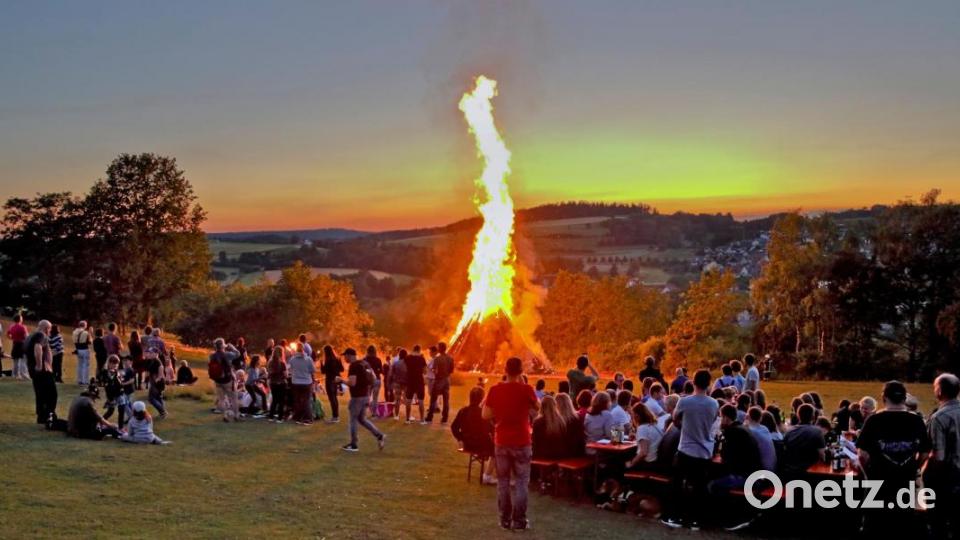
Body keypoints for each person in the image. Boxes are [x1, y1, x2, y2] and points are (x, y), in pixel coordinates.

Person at [857, 380, 930, 535]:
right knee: (903, 526)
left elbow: (862, 454)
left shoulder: (874, 420)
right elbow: (925, 453)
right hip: (905, 482)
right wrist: (914, 467)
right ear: (904, 398)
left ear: (884, 398)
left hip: (877, 482)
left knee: (874, 526)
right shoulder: (917, 420)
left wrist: (868, 472)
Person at [483, 357, 539, 531]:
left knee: (503, 481)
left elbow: (485, 414)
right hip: (522, 440)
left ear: (505, 370)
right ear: (521, 372)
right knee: (522, 481)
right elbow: (538, 406)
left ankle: (505, 519)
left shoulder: (495, 390)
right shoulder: (526, 390)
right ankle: (519, 520)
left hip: (502, 440)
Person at [661, 369, 718, 531]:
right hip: (705, 450)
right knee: (699, 487)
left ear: (693, 382)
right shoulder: (713, 403)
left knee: (677, 483)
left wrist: (685, 425)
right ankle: (696, 520)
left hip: (686, 448)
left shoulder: (685, 402)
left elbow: (675, 418)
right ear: (709, 384)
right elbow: (713, 420)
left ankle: (675, 516)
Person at [925, 373, 960, 539]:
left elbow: (938, 456)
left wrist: (925, 474)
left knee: (939, 524)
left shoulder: (939, 418)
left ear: (939, 391)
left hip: (948, 478)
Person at [708, 404, 761, 495]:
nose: (720, 421)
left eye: (721, 417)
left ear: (726, 418)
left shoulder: (731, 432)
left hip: (746, 477)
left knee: (712, 485)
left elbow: (725, 457)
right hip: (754, 474)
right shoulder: (742, 428)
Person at [340, 348, 385, 452]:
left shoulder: (353, 366)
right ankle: (379, 436)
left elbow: (352, 383)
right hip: (366, 395)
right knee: (362, 419)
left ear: (349, 355)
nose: (344, 358)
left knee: (353, 420)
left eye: (345, 356)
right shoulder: (365, 363)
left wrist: (341, 380)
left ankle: (354, 444)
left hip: (357, 397)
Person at [452, 386, 496, 484]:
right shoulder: (484, 413)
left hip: (468, 444)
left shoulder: (463, 411)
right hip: (482, 444)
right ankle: (488, 475)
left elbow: (453, 427)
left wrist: (460, 439)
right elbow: (491, 429)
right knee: (499, 449)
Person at [782, 403, 825, 478]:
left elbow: (784, 450)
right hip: (809, 473)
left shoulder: (789, 431)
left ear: (798, 416)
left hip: (790, 472)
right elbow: (822, 456)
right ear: (813, 417)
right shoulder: (817, 431)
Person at [26, 320, 56, 423]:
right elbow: (38, 347)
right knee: (51, 393)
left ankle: (41, 416)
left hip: (33, 369)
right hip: (42, 370)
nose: (50, 331)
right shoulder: (41, 335)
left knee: (40, 393)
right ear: (46, 328)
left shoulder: (30, 336)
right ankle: (49, 415)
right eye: (49, 328)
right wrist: (39, 365)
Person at [209, 338, 240, 422]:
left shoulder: (212, 355)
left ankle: (225, 416)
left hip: (217, 380)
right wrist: (232, 347)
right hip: (227, 379)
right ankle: (236, 416)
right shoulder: (227, 354)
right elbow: (238, 354)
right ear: (222, 345)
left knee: (222, 399)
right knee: (233, 398)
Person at [625, 402, 663, 469]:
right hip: (657, 460)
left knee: (620, 461)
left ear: (637, 416)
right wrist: (636, 435)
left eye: (633, 416)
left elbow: (643, 453)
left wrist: (631, 464)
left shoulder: (642, 428)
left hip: (649, 464)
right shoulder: (654, 425)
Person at [425, 342, 454, 425]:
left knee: (433, 399)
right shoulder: (450, 358)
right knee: (446, 400)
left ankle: (429, 417)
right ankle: (445, 418)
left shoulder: (437, 359)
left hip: (438, 380)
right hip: (447, 380)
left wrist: (436, 373)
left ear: (439, 349)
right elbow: (451, 370)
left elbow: (434, 369)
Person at [288, 343, 315, 425]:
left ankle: (298, 417)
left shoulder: (292, 359)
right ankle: (307, 418)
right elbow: (312, 370)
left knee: (298, 400)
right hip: (306, 382)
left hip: (296, 382)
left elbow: (290, 369)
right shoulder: (308, 359)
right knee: (306, 400)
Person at [745, 407, 776, 471]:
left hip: (763, 470)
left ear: (748, 417)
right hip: (772, 467)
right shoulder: (764, 428)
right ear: (760, 418)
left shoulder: (751, 431)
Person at [404, 345, 427, 424]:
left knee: (408, 400)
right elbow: (425, 371)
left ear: (413, 349)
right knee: (421, 400)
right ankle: (422, 420)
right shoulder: (421, 359)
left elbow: (405, 368)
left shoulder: (407, 358)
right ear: (419, 350)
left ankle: (407, 419)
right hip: (419, 381)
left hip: (410, 380)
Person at [320, 345, 343, 423]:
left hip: (329, 380)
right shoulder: (337, 359)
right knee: (335, 399)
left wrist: (321, 364)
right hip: (337, 380)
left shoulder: (328, 360)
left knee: (332, 399)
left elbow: (323, 371)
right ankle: (336, 416)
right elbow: (342, 369)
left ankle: (335, 416)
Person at [266, 346, 288, 422]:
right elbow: (286, 375)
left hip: (273, 383)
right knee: (281, 400)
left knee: (274, 400)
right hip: (281, 383)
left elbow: (269, 374)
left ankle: (271, 416)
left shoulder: (270, 363)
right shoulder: (282, 363)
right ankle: (280, 417)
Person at [364, 345, 384, 417]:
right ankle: (374, 413)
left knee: (367, 397)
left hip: (368, 381)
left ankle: (364, 413)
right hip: (377, 380)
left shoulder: (364, 359)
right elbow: (382, 371)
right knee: (375, 398)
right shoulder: (378, 360)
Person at [7, 314, 29, 380]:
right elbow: (26, 337)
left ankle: (14, 374)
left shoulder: (11, 327)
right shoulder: (23, 327)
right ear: (20, 319)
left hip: (15, 344)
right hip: (22, 344)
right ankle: (23, 375)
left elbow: (8, 334)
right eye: (21, 318)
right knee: (23, 360)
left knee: (15, 361)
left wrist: (12, 338)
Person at [388, 348, 408, 420]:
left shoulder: (396, 363)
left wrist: (389, 383)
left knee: (397, 399)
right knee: (407, 399)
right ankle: (408, 416)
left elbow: (390, 374)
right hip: (406, 383)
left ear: (399, 355)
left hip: (397, 382)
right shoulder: (408, 363)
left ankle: (396, 415)